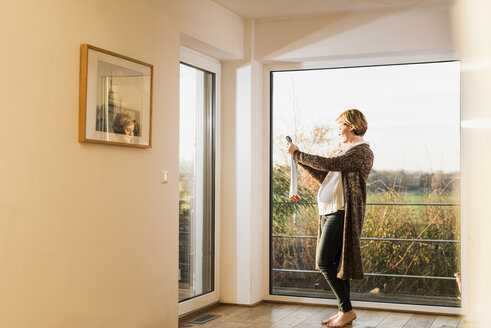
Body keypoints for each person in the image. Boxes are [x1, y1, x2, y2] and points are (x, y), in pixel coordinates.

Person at [286, 109, 374, 328]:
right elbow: (324, 175)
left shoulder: (361, 152)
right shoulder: (345, 151)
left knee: (323, 262)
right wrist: (299, 161)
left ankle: (347, 310)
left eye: (340, 127)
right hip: (328, 211)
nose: (338, 132)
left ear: (352, 126)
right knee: (336, 264)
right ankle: (343, 311)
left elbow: (329, 165)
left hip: (341, 213)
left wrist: (299, 155)